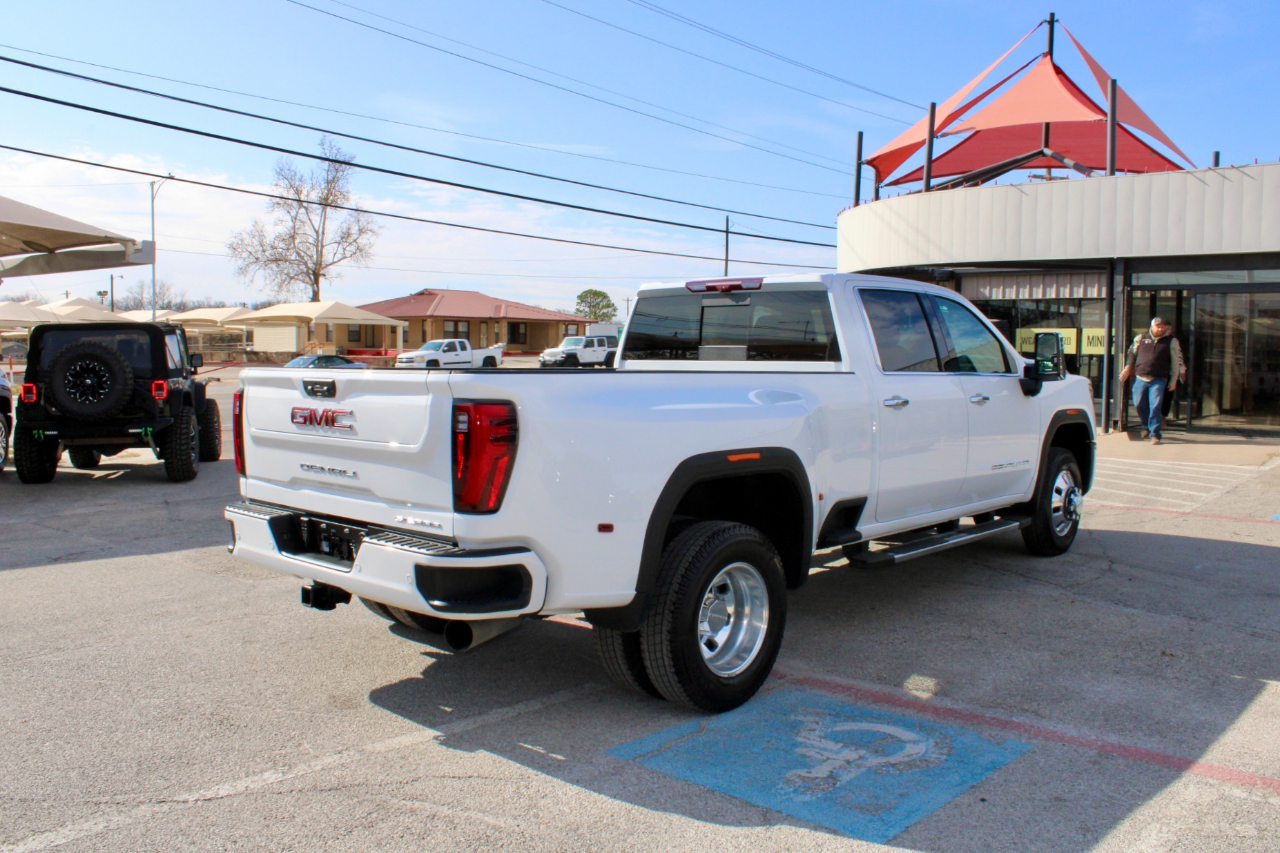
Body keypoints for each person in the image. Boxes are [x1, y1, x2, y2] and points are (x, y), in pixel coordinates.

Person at [1119, 317, 1186, 444]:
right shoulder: (1141, 338)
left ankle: (1155, 434)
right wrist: (1127, 368)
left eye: (1162, 327)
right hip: (1141, 377)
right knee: (1139, 404)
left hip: (1158, 379)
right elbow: (1132, 354)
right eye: (1158, 326)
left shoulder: (1171, 341)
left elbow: (1175, 362)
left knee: (1155, 406)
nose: (1160, 329)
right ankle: (1146, 427)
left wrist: (1173, 380)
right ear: (1152, 326)